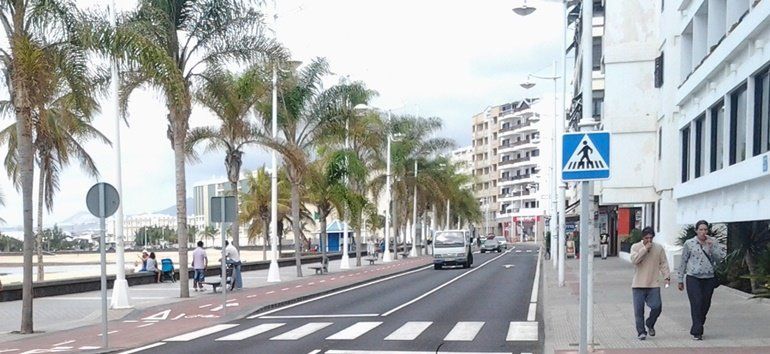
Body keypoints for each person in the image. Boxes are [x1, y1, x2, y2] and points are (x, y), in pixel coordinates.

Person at [677, 219, 726, 340]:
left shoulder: (713, 241)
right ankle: (697, 331)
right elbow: (683, 260)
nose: (703, 232)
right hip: (693, 277)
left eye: (705, 229)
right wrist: (680, 278)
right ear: (696, 231)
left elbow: (720, 258)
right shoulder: (689, 243)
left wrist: (711, 247)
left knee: (706, 303)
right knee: (696, 302)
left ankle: (699, 322)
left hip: (709, 277)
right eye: (701, 230)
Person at [630, 227, 670, 340]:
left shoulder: (658, 248)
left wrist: (666, 276)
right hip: (638, 284)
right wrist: (644, 249)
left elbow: (663, 263)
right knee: (639, 310)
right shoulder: (635, 247)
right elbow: (634, 261)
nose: (649, 240)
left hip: (653, 283)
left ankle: (650, 323)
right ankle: (641, 332)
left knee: (657, 307)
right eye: (646, 238)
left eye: (651, 238)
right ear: (642, 238)